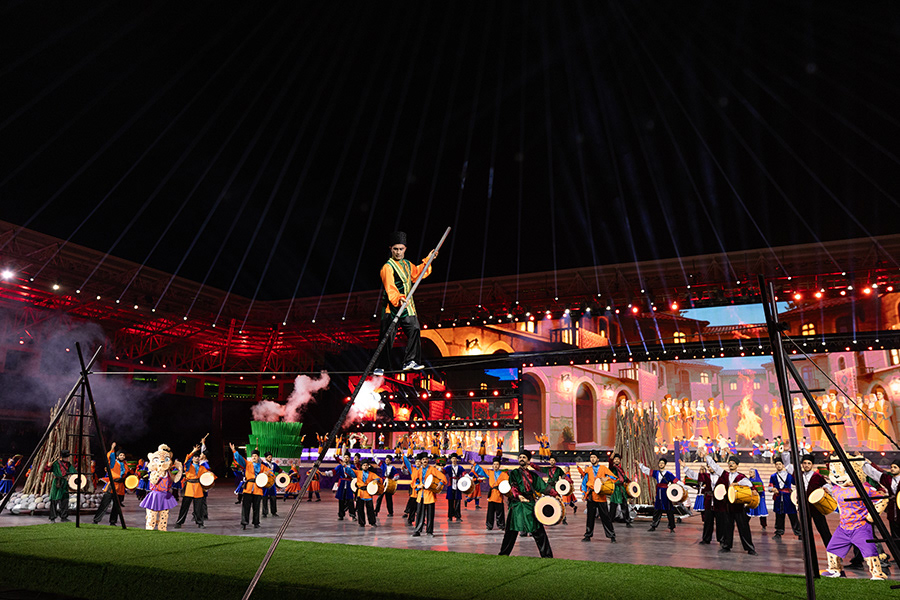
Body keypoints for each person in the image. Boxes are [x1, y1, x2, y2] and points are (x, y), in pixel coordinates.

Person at [374, 231, 437, 374]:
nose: (398, 252)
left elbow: (418, 274)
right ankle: (381, 366)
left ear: (405, 249)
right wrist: (398, 299)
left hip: (407, 306)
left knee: (415, 329)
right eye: (395, 249)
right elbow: (390, 287)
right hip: (392, 307)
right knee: (387, 336)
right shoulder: (387, 267)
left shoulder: (408, 265)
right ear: (391, 249)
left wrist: (429, 259)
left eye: (401, 249)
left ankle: (411, 360)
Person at [498, 451, 559, 558]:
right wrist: (518, 496)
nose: (521, 459)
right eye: (520, 457)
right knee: (511, 532)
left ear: (528, 461)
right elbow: (513, 486)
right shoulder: (514, 473)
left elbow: (543, 487)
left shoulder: (533, 476)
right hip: (517, 505)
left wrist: (556, 494)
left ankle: (547, 556)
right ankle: (503, 555)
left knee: (538, 531)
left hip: (529, 505)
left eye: (524, 457)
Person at [706, 454, 757, 555]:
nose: (731, 465)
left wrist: (737, 484)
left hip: (738, 506)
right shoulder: (725, 474)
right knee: (727, 527)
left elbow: (749, 484)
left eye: (733, 463)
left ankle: (750, 548)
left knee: (743, 527)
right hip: (727, 506)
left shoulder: (741, 476)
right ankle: (726, 546)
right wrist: (707, 456)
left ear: (737, 465)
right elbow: (715, 466)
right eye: (729, 463)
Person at [230, 443, 272, 530]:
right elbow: (239, 458)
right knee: (245, 506)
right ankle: (244, 523)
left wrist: (267, 474)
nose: (254, 457)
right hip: (248, 488)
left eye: (255, 456)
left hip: (258, 488)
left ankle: (256, 522)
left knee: (256, 507)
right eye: (252, 456)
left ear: (258, 457)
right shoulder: (247, 464)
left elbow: (271, 473)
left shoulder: (263, 467)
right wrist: (234, 451)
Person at [579, 451, 617, 543]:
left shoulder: (603, 468)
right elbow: (584, 482)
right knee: (590, 517)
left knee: (605, 517)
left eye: (594, 457)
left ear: (598, 459)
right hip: (591, 495)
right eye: (591, 457)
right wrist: (583, 493)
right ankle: (588, 535)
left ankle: (612, 536)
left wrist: (607, 478)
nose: (592, 459)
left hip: (601, 496)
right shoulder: (588, 469)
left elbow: (614, 478)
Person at [862, 456, 900, 545]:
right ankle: (897, 552)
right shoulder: (888, 479)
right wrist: (864, 463)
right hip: (892, 511)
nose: (892, 469)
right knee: (894, 535)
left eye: (895, 467)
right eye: (891, 467)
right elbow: (874, 473)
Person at [638, 457, 680, 532]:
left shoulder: (668, 474)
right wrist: (640, 465)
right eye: (660, 463)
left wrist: (683, 486)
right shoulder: (656, 473)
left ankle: (672, 527)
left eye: (662, 463)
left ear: (665, 464)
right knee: (657, 510)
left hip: (666, 493)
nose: (661, 464)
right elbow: (647, 470)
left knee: (669, 510)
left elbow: (676, 481)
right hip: (658, 493)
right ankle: (653, 526)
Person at [175, 446, 213, 529]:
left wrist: (211, 477)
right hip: (189, 487)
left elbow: (208, 476)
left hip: (198, 488)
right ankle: (179, 522)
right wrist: (193, 451)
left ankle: (200, 523)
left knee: (199, 508)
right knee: (184, 507)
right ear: (192, 458)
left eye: (198, 456)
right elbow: (187, 460)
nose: (197, 458)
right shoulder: (189, 466)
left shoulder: (202, 468)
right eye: (195, 456)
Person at [411, 453, 446, 536]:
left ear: (428, 460)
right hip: (421, 494)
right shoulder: (418, 470)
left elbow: (442, 477)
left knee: (430, 514)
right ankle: (417, 530)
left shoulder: (432, 469)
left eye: (426, 459)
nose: (425, 461)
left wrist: (440, 483)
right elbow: (414, 482)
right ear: (421, 461)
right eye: (423, 459)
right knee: (419, 514)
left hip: (430, 494)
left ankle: (429, 531)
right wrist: (418, 486)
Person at [93, 442, 128, 526]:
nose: (122, 456)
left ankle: (113, 521)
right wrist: (112, 448)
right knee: (104, 504)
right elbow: (110, 457)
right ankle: (96, 520)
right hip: (112, 486)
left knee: (116, 506)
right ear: (117, 456)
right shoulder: (113, 463)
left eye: (123, 455)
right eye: (120, 455)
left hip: (120, 487)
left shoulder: (125, 465)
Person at [682, 461, 716, 544]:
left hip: (719, 502)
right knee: (707, 521)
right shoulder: (706, 476)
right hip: (708, 501)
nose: (710, 468)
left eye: (711, 466)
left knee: (720, 522)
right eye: (708, 466)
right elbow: (694, 475)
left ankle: (723, 541)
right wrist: (685, 467)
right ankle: (706, 539)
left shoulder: (722, 475)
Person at [470, 457, 508, 530]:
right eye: (494, 464)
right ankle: (489, 525)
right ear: (492, 465)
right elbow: (482, 470)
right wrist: (474, 464)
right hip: (491, 495)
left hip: (499, 495)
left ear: (499, 466)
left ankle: (501, 525)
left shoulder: (503, 474)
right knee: (490, 512)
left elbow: (508, 482)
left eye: (497, 464)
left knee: (500, 512)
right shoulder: (490, 473)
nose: (495, 466)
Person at [769, 457, 800, 538]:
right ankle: (778, 532)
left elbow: (796, 483)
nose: (778, 466)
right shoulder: (773, 476)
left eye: (780, 464)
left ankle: (799, 533)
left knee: (793, 515)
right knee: (779, 516)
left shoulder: (789, 476)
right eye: (777, 464)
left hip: (788, 498)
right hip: (778, 497)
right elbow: (770, 486)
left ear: (783, 465)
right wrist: (772, 489)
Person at [349, 458, 381, 527]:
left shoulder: (371, 474)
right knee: (360, 509)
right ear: (361, 466)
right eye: (364, 465)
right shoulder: (358, 472)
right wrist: (345, 466)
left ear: (368, 466)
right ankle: (361, 522)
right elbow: (350, 471)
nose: (365, 466)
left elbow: (378, 478)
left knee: (370, 509)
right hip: (360, 493)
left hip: (368, 493)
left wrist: (376, 480)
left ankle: (372, 522)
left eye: (366, 465)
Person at [47, 450, 75, 523]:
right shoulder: (56, 464)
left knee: (65, 499)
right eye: (66, 457)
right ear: (62, 457)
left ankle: (64, 516)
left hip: (64, 483)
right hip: (57, 483)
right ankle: (52, 517)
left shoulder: (68, 464)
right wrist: (48, 466)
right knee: (54, 500)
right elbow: (47, 470)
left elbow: (74, 472)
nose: (67, 459)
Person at [608, 453, 633, 527]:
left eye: (618, 459)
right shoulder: (612, 468)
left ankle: (627, 522)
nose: (616, 460)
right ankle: (610, 521)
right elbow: (610, 464)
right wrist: (611, 458)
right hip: (615, 489)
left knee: (624, 506)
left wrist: (630, 482)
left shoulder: (620, 469)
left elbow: (624, 478)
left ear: (619, 461)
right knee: (613, 506)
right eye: (615, 459)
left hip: (621, 489)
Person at [443, 453, 466, 521]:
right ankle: (450, 516)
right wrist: (440, 469)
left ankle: (458, 516)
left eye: (455, 458)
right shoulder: (448, 467)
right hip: (451, 485)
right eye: (453, 458)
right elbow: (443, 472)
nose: (454, 460)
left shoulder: (460, 467)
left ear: (457, 459)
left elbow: (464, 474)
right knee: (450, 501)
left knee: (458, 501)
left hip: (458, 485)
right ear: (451, 459)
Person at [334, 454, 356, 521]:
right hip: (342, 484)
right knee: (341, 500)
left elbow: (355, 474)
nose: (346, 458)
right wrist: (326, 473)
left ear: (349, 458)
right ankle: (341, 515)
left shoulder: (352, 466)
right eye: (345, 457)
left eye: (347, 457)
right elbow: (334, 471)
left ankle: (353, 515)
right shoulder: (340, 466)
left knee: (350, 501)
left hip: (349, 484)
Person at [260, 452, 281, 518]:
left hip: (272, 483)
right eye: (269, 457)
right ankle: (264, 513)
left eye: (271, 457)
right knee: (264, 498)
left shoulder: (274, 465)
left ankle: (274, 512)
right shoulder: (263, 464)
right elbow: (258, 461)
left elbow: (280, 470)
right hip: (265, 483)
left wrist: (286, 475)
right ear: (266, 458)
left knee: (273, 498)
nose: (270, 458)